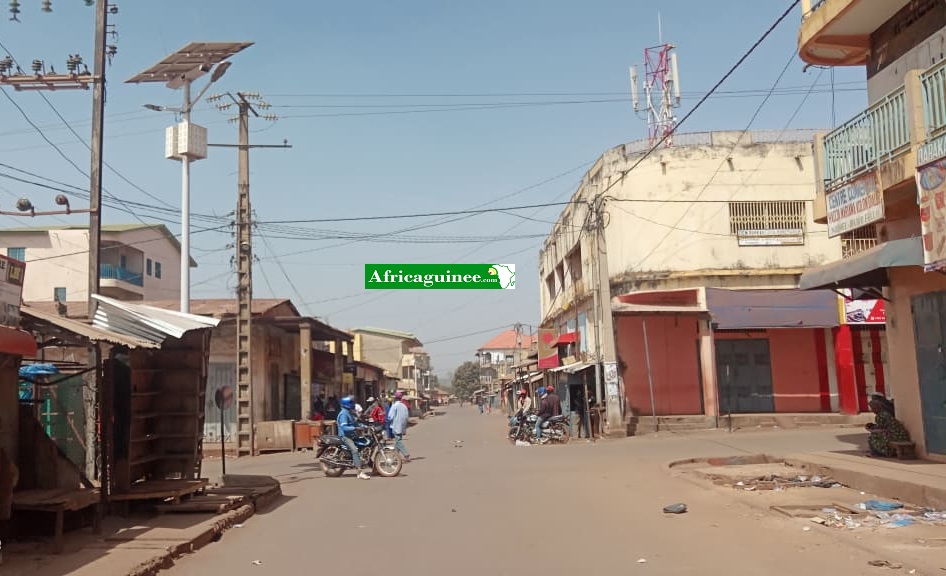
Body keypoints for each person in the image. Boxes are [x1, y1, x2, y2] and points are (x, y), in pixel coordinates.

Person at [337, 395, 370, 479]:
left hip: (352, 434)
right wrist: (355, 428)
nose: (353, 404)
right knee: (354, 450)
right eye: (351, 402)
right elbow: (344, 427)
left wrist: (365, 426)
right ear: (347, 404)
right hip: (345, 436)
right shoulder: (343, 414)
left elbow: (356, 423)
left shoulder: (349, 413)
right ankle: (359, 472)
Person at [388, 391, 411, 461]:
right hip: (402, 426)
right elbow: (407, 417)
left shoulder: (395, 405)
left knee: (398, 441)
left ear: (395, 398)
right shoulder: (404, 406)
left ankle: (406, 454)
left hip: (396, 426)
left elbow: (390, 416)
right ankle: (395, 457)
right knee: (397, 441)